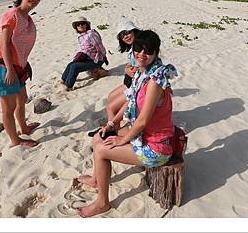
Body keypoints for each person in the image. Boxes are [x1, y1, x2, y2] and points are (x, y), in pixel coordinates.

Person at [76, 30, 178, 217]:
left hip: (156, 146)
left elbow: (143, 120)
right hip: (143, 134)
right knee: (101, 136)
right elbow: (130, 101)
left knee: (101, 150)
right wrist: (113, 122)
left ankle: (102, 203)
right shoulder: (143, 72)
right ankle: (96, 179)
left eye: (148, 51)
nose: (141, 54)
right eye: (138, 48)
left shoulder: (155, 81)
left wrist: (121, 141)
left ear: (156, 53)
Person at [0, 0, 43, 148]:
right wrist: (10, 69)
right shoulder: (12, 15)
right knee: (9, 107)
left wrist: (24, 65)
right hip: (6, 68)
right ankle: (15, 140)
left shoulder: (27, 18)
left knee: (22, 100)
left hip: (20, 67)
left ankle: (24, 127)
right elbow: (4, 44)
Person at [100, 20, 141, 137]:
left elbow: (143, 67)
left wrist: (129, 70)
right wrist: (127, 69)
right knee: (111, 96)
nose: (126, 36)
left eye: (127, 32)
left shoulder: (140, 46)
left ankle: (114, 133)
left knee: (111, 107)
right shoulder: (133, 47)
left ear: (134, 31)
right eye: (122, 35)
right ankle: (114, 125)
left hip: (138, 86)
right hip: (131, 82)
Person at [61, 16, 108, 91]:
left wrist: (104, 57)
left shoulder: (91, 34)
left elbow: (100, 47)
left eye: (82, 23)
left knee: (75, 67)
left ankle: (68, 86)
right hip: (88, 58)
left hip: (96, 60)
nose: (80, 26)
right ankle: (63, 80)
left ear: (86, 25)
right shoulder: (81, 37)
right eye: (78, 24)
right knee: (71, 64)